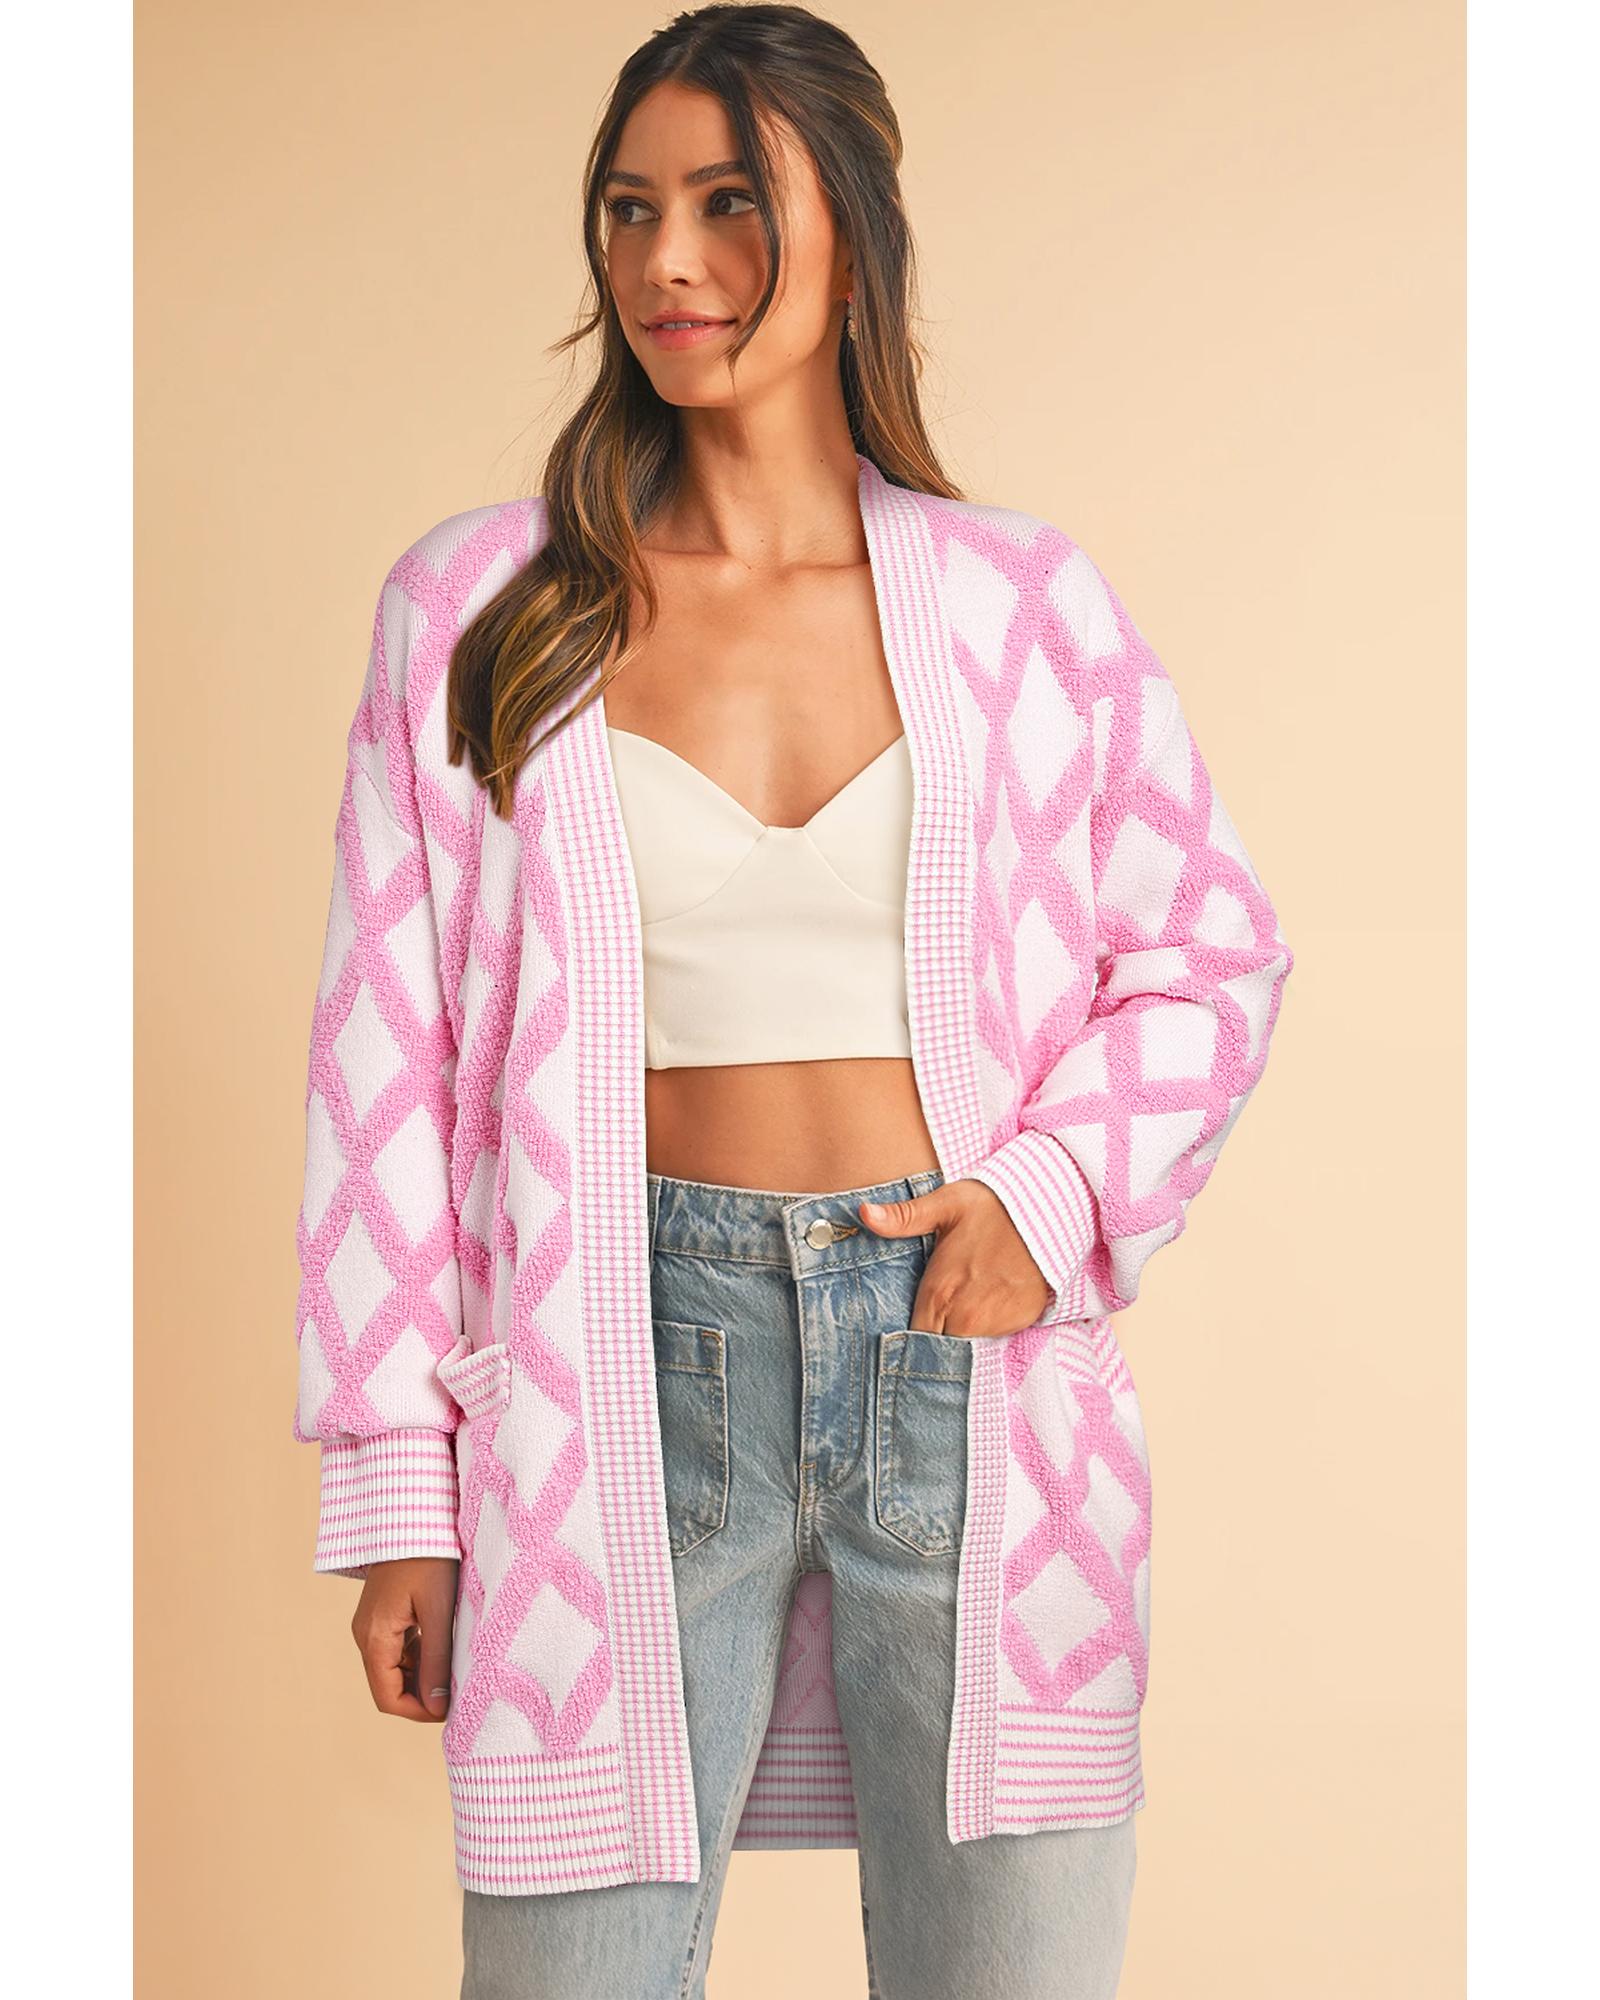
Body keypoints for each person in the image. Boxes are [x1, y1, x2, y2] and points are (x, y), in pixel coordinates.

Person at [290, 7, 1295, 1997]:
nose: (667, 261)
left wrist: (1046, 1196)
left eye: (730, 204)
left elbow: (1207, 953)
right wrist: (398, 1489)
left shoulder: (1024, 607)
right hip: (611, 1368)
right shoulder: (480, 608)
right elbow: (381, 1061)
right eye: (629, 209)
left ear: (855, 230)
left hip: (970, 1374)